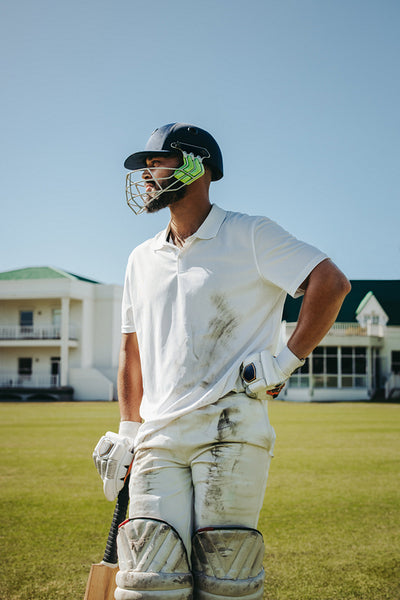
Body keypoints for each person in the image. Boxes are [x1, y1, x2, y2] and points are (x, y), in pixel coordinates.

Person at [93, 123, 351, 600]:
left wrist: (282, 363)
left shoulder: (249, 233)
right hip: (157, 437)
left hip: (229, 430)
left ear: (196, 165)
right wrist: (128, 430)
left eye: (158, 162)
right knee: (148, 584)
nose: (148, 175)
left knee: (225, 587)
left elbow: (331, 283)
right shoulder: (139, 258)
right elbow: (132, 350)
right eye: (146, 167)